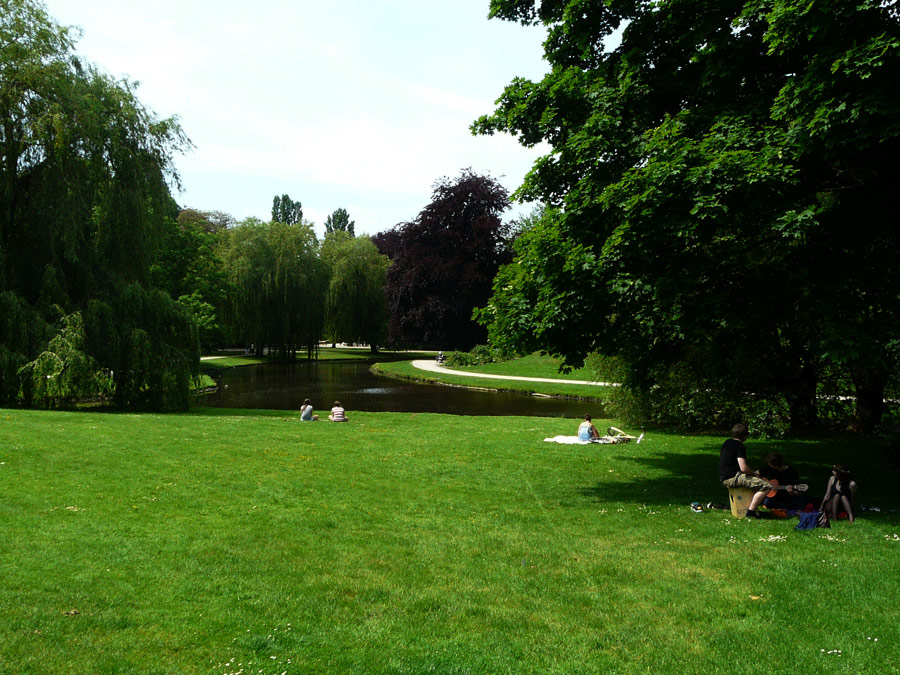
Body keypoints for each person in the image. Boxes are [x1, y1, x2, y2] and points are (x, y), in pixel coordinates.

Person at [718, 423, 772, 519]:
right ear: (744, 435)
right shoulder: (739, 446)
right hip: (733, 478)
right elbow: (744, 468)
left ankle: (750, 508)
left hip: (724, 477)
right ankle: (751, 512)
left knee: (754, 483)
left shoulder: (727, 442)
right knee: (766, 486)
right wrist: (754, 474)